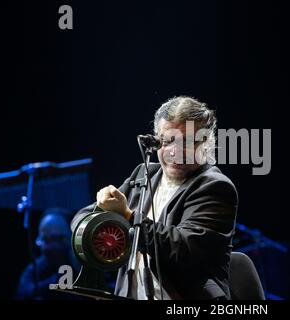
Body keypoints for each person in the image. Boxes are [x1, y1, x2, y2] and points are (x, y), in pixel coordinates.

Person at [71, 96, 238, 300]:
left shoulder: (215, 186)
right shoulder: (143, 174)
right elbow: (81, 218)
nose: (174, 152)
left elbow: (182, 250)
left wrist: (127, 216)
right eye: (167, 141)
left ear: (206, 142)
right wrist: (99, 212)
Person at [16, 208, 80, 300]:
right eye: (45, 240)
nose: (49, 247)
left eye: (56, 239)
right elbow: (25, 292)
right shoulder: (34, 271)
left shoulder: (83, 265)